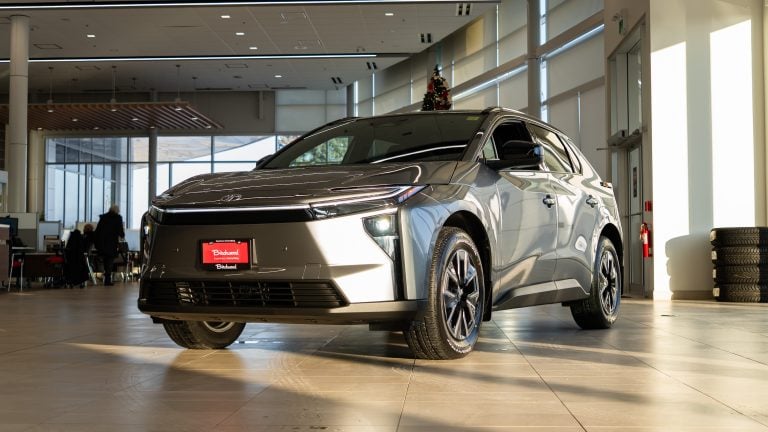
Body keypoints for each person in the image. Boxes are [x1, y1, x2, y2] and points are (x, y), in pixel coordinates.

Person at [95, 205, 125, 286]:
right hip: (111, 242)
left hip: (102, 243)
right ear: (117, 211)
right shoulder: (117, 218)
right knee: (110, 261)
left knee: (105, 260)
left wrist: (97, 243)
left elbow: (98, 230)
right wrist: (122, 235)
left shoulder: (103, 217)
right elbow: (120, 229)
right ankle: (107, 280)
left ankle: (106, 278)